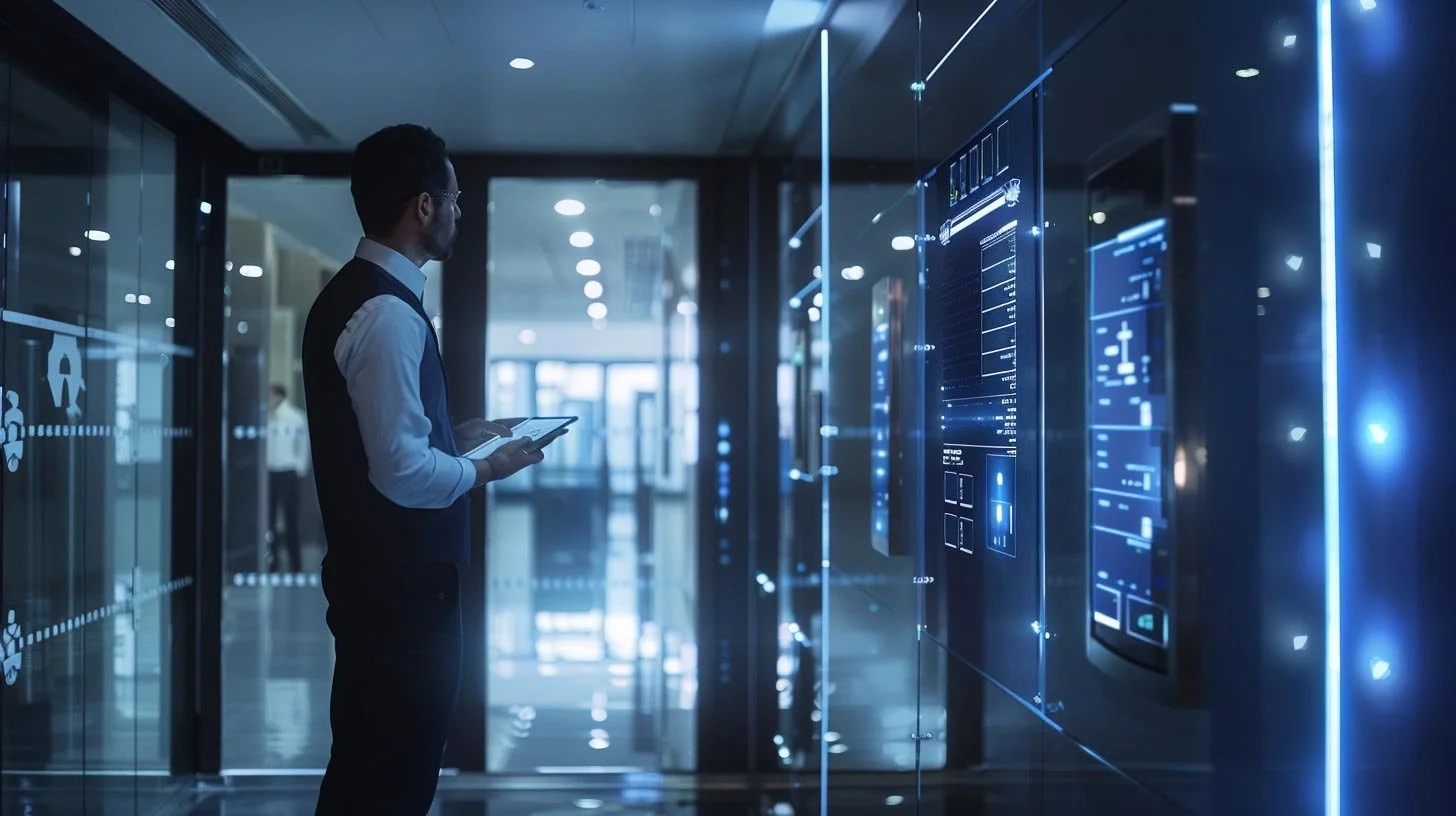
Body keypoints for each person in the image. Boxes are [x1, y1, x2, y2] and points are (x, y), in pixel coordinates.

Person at [301, 124, 547, 815]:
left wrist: (452, 436)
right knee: (391, 777)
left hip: (379, 585)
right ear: (424, 206)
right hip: (400, 594)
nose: (459, 213)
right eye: (455, 200)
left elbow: (382, 442)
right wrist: (485, 469)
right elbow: (403, 473)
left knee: (370, 769)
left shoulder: (360, 297)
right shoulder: (386, 312)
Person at [265, 383, 309, 573]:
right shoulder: (266, 417)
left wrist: (300, 469)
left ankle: (295, 564)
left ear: (278, 396)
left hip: (288, 471)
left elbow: (303, 445)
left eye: (270, 395)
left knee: (290, 519)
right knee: (269, 519)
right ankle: (271, 562)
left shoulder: (295, 417)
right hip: (270, 471)